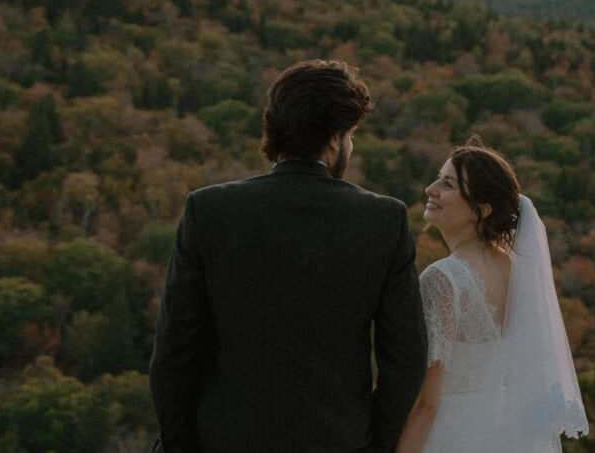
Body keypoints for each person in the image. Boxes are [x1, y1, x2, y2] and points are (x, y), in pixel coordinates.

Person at [149, 60, 427, 453]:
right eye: (350, 135)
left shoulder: (209, 211)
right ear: (334, 139)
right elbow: (406, 360)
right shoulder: (384, 220)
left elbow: (174, 355)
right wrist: (373, 445)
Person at [396, 140, 588, 452]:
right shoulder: (519, 271)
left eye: (447, 185)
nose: (430, 189)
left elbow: (426, 402)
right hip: (502, 434)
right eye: (437, 179)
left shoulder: (443, 279)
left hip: (446, 436)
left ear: (482, 209)